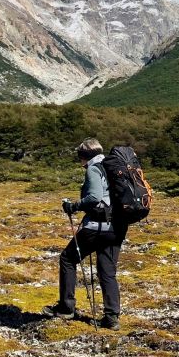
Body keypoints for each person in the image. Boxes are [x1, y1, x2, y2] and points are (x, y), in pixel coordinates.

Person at [43, 138, 126, 329]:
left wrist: (73, 206)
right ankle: (112, 318)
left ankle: (66, 308)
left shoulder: (94, 168)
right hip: (117, 227)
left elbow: (95, 197)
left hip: (96, 227)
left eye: (80, 157)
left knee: (67, 258)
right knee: (107, 272)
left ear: (84, 156)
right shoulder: (114, 166)